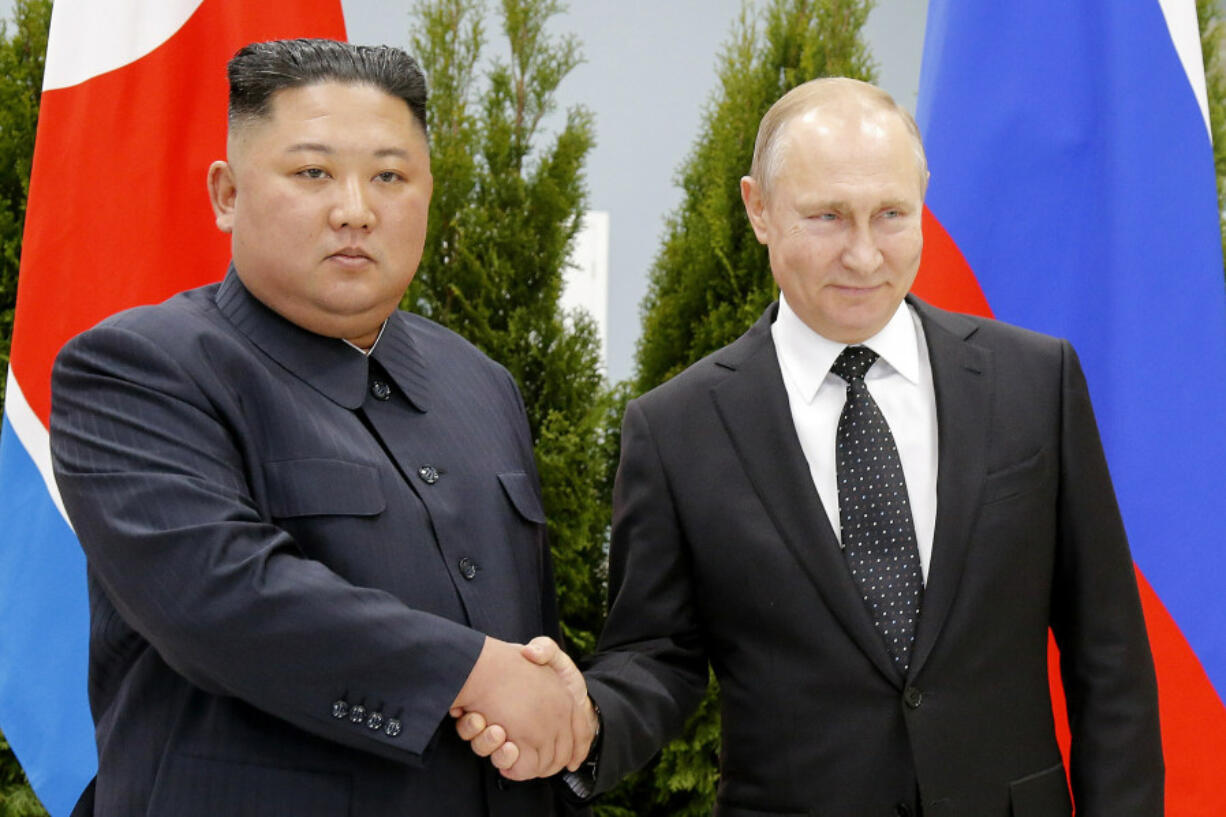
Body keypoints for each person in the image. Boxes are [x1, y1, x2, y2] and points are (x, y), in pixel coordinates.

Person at [461, 77, 1164, 816]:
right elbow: (658, 655)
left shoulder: (1036, 381)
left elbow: (1108, 653)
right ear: (758, 209)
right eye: (827, 216)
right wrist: (588, 717)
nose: (863, 256)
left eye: (892, 214)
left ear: (923, 193)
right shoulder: (677, 429)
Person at [49, 38, 592, 817]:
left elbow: (530, 651)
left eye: (389, 176)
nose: (355, 209)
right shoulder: (137, 369)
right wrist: (473, 671)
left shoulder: (482, 384)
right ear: (227, 193)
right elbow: (222, 596)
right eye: (312, 173)